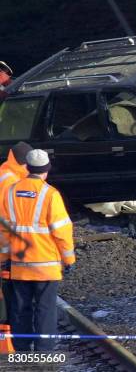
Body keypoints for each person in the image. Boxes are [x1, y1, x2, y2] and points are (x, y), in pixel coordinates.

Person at [2, 149, 75, 352]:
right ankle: (44, 351)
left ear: (28, 167)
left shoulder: (10, 192)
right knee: (45, 308)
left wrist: (4, 258)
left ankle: (22, 350)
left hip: (19, 264)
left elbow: (3, 230)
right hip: (46, 266)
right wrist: (68, 259)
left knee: (20, 307)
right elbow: (62, 231)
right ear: (46, 170)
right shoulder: (50, 194)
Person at [0, 141, 31, 354]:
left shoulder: (6, 171)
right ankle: (8, 345)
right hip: (6, 247)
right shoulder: (11, 181)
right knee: (10, 295)